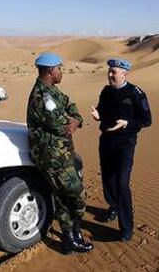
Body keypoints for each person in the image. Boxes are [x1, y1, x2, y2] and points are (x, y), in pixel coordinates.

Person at [26, 53, 93, 254]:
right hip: (52, 157)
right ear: (49, 71)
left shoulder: (53, 91)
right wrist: (72, 121)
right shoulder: (42, 96)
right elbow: (60, 125)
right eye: (59, 69)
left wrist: (77, 120)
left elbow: (71, 107)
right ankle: (72, 234)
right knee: (75, 194)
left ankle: (71, 238)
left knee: (63, 198)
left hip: (61, 154)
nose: (61, 72)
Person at [90, 58, 152, 242]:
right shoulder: (106, 91)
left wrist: (128, 123)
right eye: (109, 71)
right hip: (106, 141)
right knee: (108, 180)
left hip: (125, 144)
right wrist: (97, 116)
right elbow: (101, 111)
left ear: (124, 74)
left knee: (122, 184)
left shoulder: (135, 93)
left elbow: (147, 120)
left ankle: (126, 228)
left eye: (114, 72)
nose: (110, 75)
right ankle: (114, 207)